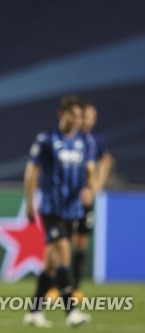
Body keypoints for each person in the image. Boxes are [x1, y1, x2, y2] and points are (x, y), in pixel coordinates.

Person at [22, 96, 95, 328]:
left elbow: (90, 169)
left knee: (51, 262)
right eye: (72, 115)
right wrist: (30, 201)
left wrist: (89, 188)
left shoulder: (83, 142)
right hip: (52, 208)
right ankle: (71, 312)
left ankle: (34, 312)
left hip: (72, 210)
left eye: (79, 116)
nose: (76, 120)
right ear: (61, 114)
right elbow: (32, 171)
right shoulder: (47, 140)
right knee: (63, 252)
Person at [71, 101, 113, 294]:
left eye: (92, 118)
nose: (88, 122)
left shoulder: (95, 140)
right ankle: (55, 286)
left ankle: (76, 288)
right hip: (68, 198)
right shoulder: (71, 138)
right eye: (85, 117)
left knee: (82, 242)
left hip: (86, 198)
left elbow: (106, 160)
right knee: (63, 243)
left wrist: (94, 187)